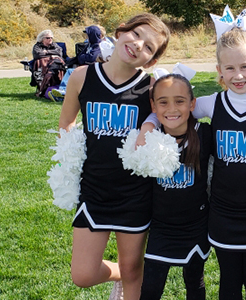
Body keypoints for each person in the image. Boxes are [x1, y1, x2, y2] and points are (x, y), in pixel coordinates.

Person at [140, 27, 246, 300]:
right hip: (222, 212)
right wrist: (149, 124)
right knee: (229, 282)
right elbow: (173, 111)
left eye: (245, 66)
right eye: (229, 68)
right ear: (219, 70)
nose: (238, 75)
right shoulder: (212, 104)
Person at [57, 13, 170, 300]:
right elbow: (66, 123)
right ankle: (120, 272)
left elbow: (169, 120)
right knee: (82, 274)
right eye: (136, 34)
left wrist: (149, 125)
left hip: (135, 192)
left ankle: (128, 275)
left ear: (151, 60)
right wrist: (71, 160)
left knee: (134, 272)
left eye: (149, 48)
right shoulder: (82, 77)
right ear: (120, 32)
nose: (138, 46)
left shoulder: (151, 87)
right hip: (94, 189)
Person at [139, 74, 211, 300]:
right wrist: (149, 123)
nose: (172, 108)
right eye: (163, 102)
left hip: (197, 225)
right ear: (153, 105)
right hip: (161, 227)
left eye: (180, 101)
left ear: (192, 103)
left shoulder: (206, 134)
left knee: (194, 281)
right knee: (151, 287)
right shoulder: (149, 137)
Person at [32, 30, 66, 96]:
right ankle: (44, 87)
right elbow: (38, 54)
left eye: (51, 38)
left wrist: (46, 52)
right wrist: (51, 55)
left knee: (56, 64)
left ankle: (49, 85)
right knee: (42, 62)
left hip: (55, 63)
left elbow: (59, 52)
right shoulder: (37, 46)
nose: (50, 39)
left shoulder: (55, 45)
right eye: (47, 38)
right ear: (42, 39)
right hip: (42, 64)